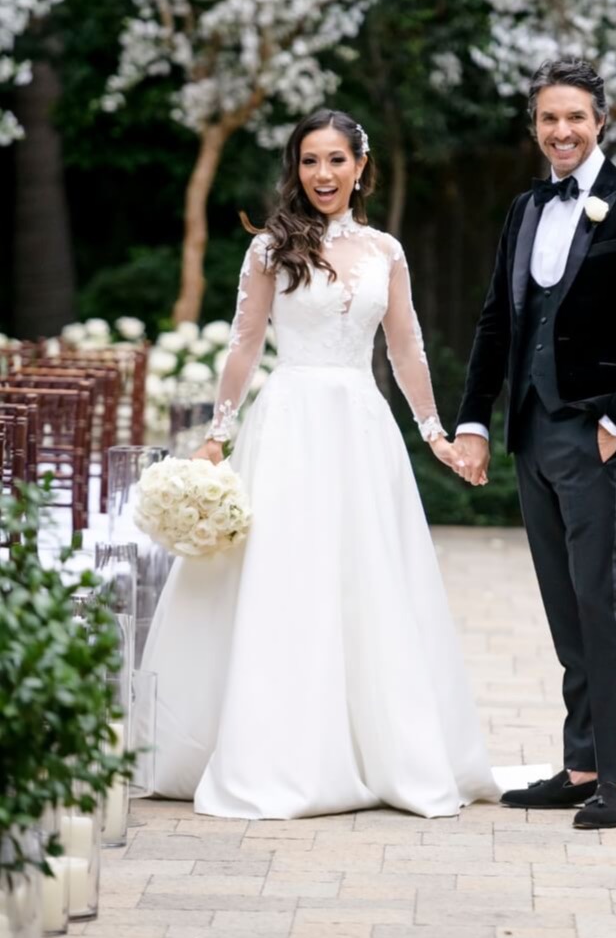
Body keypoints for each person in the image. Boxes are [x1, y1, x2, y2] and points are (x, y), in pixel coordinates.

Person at [142, 108, 497, 820]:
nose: (324, 174)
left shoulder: (386, 251)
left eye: (336, 160)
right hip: (290, 423)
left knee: (366, 577)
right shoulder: (272, 248)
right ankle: (278, 747)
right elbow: (244, 345)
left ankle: (378, 748)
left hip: (361, 427)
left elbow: (406, 349)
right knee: (284, 575)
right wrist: (219, 433)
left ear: (360, 167)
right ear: (296, 168)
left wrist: (435, 433)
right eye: (310, 161)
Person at [452, 58, 616, 829]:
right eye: (549, 119)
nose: (561, 131)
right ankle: (582, 763)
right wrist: (476, 419)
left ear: (601, 121)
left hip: (595, 434)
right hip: (530, 429)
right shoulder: (524, 209)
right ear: (535, 127)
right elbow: (497, 318)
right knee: (562, 603)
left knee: (600, 597)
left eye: (575, 117)